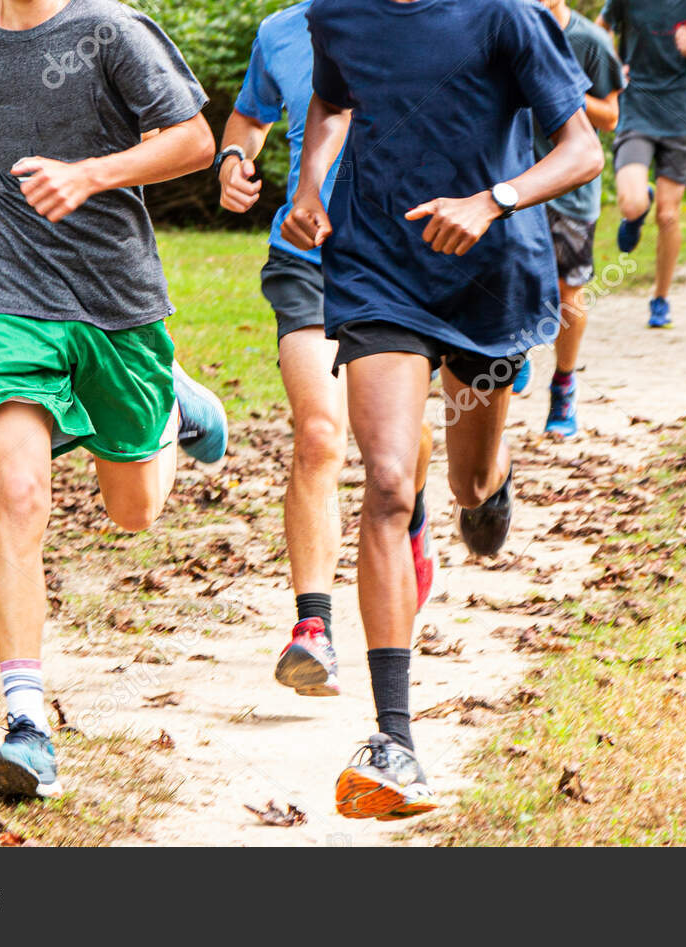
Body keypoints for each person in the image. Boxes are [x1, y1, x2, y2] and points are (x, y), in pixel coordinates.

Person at [0, 0, 226, 799]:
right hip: (6, 289)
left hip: (115, 296)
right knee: (19, 492)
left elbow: (194, 140)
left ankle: (171, 408)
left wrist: (90, 174)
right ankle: (26, 726)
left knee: (133, 511)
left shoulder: (111, 28)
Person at [285, 0, 601, 820]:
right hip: (378, 267)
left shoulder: (505, 16)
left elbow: (582, 149)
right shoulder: (338, 13)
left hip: (488, 272)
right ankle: (395, 739)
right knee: (388, 481)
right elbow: (331, 102)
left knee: (468, 486)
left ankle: (485, 483)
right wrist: (311, 185)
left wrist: (493, 200)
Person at [215, 1, 436, 700]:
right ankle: (313, 629)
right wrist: (233, 159)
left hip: (398, 264)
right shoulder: (281, 31)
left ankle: (413, 510)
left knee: (397, 445)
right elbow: (249, 118)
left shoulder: (427, 20)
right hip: (305, 257)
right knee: (318, 432)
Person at [599, 0, 686, 328]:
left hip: (680, 118)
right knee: (631, 203)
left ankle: (660, 298)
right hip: (636, 111)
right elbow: (599, 30)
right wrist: (612, 65)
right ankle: (636, 215)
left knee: (668, 215)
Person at [533, 0, 623, 437]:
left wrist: (560, 89)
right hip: (513, 178)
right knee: (503, 279)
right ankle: (512, 354)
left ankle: (564, 384)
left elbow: (610, 115)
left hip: (571, 187)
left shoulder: (591, 41)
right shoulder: (504, 25)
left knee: (567, 290)